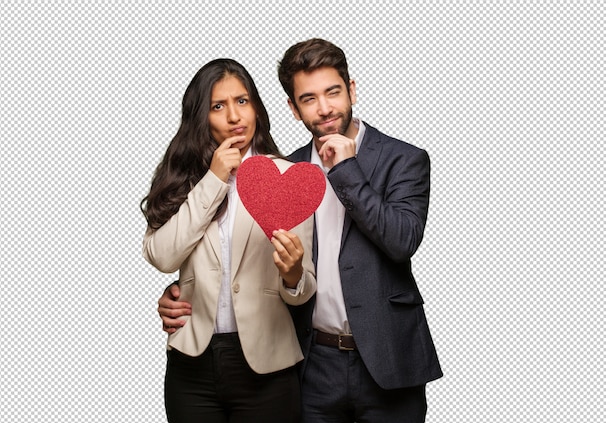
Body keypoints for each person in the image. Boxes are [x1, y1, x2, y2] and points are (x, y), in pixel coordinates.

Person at [158, 39, 443, 422]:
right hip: (312, 364)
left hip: (388, 357)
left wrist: (345, 170)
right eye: (308, 99)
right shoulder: (281, 172)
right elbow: (241, 256)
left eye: (333, 92)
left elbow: (401, 241)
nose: (324, 108)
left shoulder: (404, 159)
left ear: (352, 90)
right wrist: (186, 288)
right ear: (293, 109)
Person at [142, 58, 316, 423]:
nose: (235, 116)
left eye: (242, 101)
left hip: (268, 363)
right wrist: (215, 178)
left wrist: (293, 273)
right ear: (201, 116)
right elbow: (162, 257)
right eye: (218, 106)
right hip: (192, 365)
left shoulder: (288, 179)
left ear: (256, 106)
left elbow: (302, 291)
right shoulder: (181, 177)